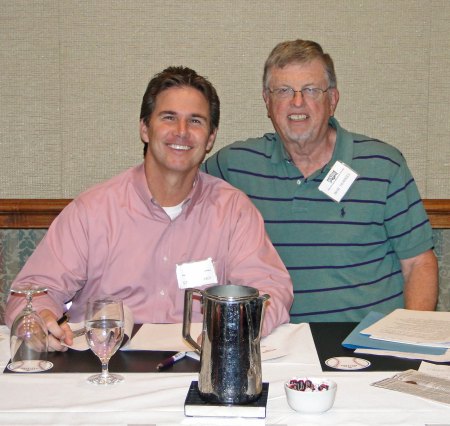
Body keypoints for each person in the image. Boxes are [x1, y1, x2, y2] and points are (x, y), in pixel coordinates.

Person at [6, 66, 293, 350]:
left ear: (210, 138)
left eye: (195, 121)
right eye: (169, 118)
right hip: (107, 367)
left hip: (202, 364)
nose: (181, 132)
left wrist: (237, 326)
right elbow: (32, 291)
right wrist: (39, 318)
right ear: (145, 128)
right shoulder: (93, 211)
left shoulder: (233, 211)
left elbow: (270, 291)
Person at [203, 39, 438, 323]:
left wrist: (408, 342)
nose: (297, 102)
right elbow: (179, 189)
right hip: (274, 348)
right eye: (283, 91)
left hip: (368, 348)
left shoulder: (383, 165)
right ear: (267, 101)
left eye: (311, 90)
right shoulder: (234, 166)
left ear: (333, 100)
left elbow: (418, 264)